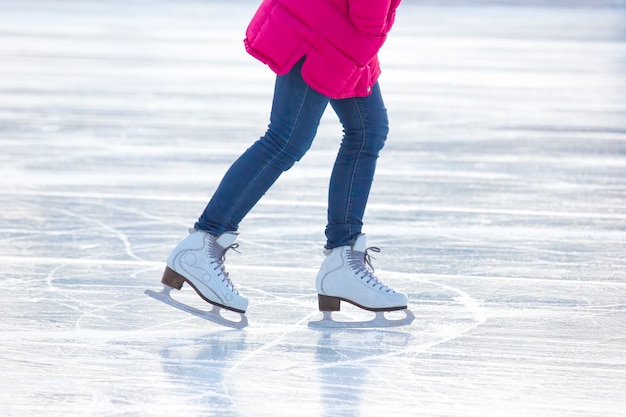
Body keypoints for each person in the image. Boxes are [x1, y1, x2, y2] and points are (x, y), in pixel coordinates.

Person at [160, 0, 409, 319]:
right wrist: (376, 24)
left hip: (335, 28)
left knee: (367, 130)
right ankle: (204, 241)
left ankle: (342, 260)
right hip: (323, 27)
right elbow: (367, 16)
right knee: (286, 138)